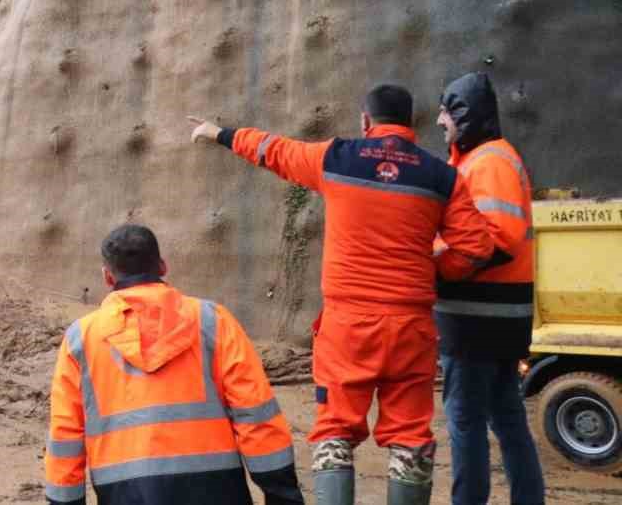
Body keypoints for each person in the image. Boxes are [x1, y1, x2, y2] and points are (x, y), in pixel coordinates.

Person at [188, 83, 495, 505]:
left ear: (366, 121)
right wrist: (431, 270)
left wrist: (218, 133)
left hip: (348, 328)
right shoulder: (442, 175)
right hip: (411, 327)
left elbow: (272, 150)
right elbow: (477, 248)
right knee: (410, 435)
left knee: (334, 430)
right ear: (411, 124)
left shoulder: (336, 159)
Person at [44, 224, 303, 505]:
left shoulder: (81, 339)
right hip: (217, 488)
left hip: (125, 493)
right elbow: (255, 415)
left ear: (108, 276)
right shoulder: (212, 321)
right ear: (163, 266)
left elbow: (65, 436)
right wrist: (282, 493)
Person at [435, 72, 545, 505]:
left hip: (477, 322)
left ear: (467, 114)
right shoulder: (480, 159)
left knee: (465, 423)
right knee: (507, 419)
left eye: (447, 111)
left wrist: (436, 263)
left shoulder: (489, 162)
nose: (440, 121)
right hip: (495, 321)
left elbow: (492, 242)